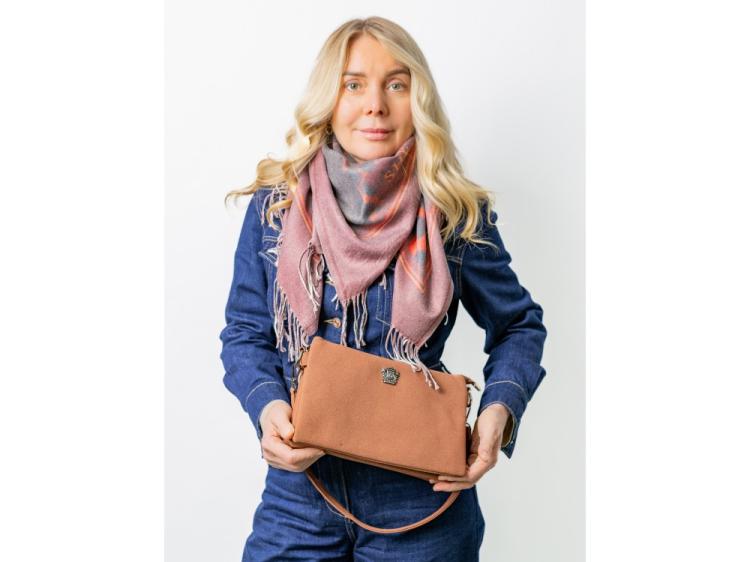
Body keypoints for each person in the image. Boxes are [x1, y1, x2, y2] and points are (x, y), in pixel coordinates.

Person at [220, 16, 547, 561]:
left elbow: (519, 325)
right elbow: (245, 333)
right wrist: (267, 406)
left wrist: (497, 415)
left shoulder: (453, 212)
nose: (375, 105)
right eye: (354, 84)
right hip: (299, 493)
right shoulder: (279, 206)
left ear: (418, 98)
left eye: (396, 84)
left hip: (421, 500)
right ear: (329, 98)